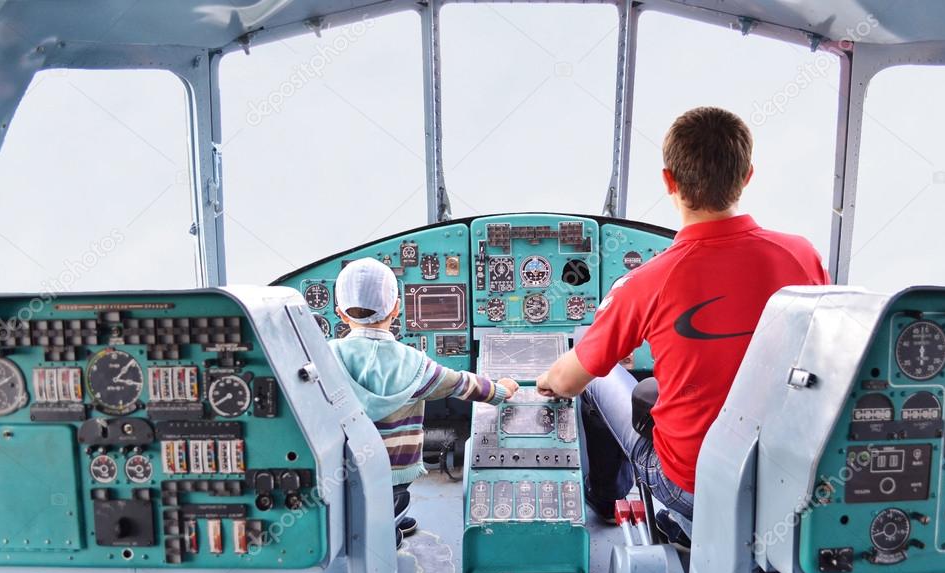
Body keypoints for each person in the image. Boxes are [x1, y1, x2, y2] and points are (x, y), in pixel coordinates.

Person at [536, 106, 829, 538]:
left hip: (691, 488)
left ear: (668, 181)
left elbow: (569, 381)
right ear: (746, 176)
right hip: (787, 485)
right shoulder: (801, 255)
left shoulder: (646, 282)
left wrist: (546, 379)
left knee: (589, 358)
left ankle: (605, 501)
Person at [330, 257, 519, 547]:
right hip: (395, 471)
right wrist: (500, 390)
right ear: (396, 308)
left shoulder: (325, 356)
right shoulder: (414, 363)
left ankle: (379, 516)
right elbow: (460, 384)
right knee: (393, 497)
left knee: (356, 496)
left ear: (341, 314)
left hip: (344, 467)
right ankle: (387, 530)